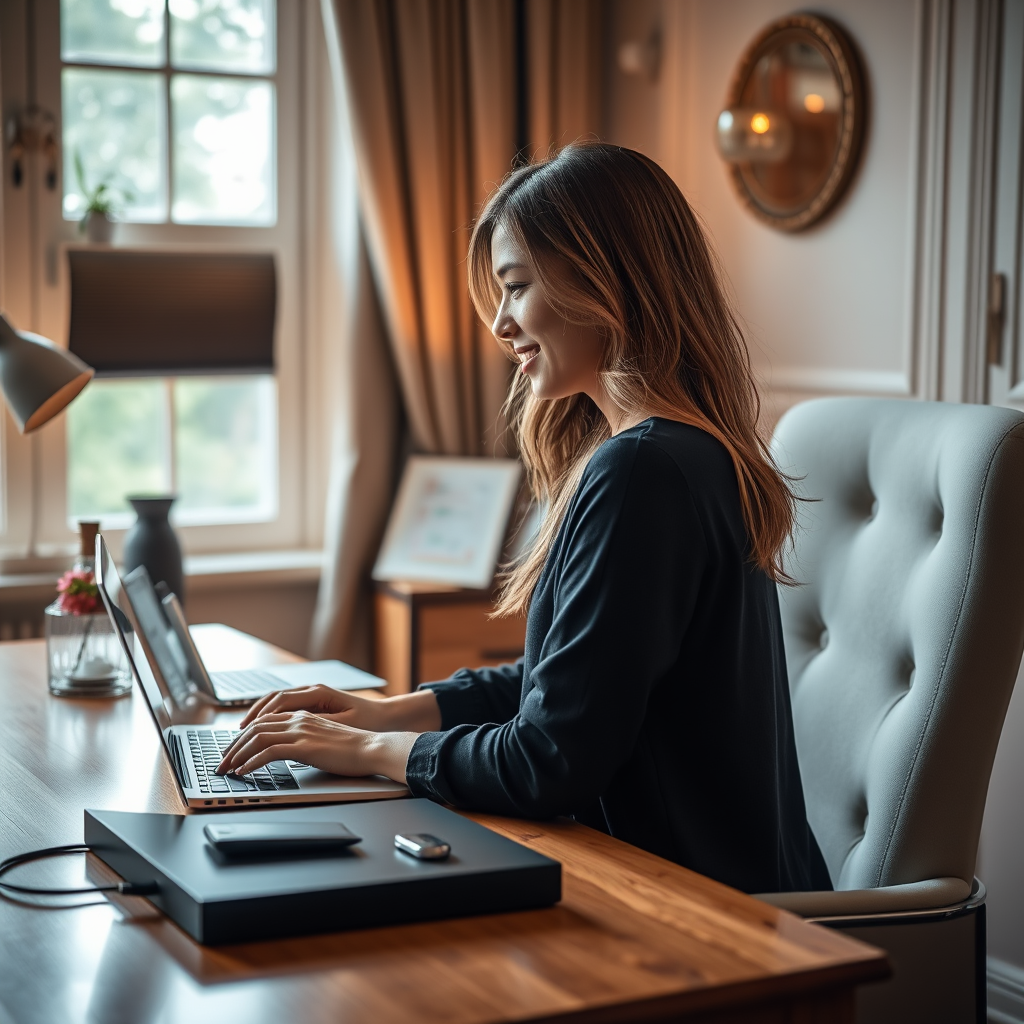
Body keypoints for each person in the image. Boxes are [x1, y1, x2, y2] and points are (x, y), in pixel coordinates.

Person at [218, 142, 832, 895]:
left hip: (699, 910)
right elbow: (572, 681)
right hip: (714, 884)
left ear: (603, 279)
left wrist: (367, 750)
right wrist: (386, 715)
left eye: (516, 287)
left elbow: (548, 764)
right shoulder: (678, 454)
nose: (501, 324)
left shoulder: (643, 470)